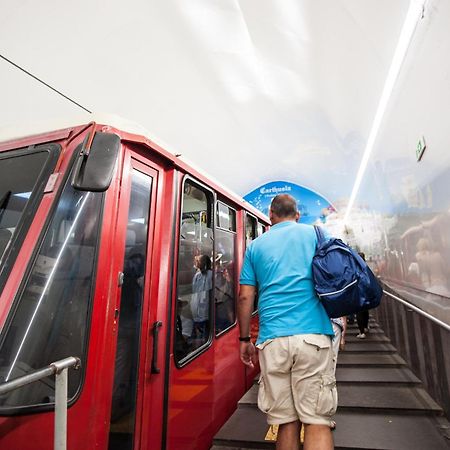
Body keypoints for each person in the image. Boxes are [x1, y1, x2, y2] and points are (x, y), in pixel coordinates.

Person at [238, 194, 336, 450]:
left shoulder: (255, 246)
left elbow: (245, 295)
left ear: (270, 216)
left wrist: (244, 339)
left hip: (272, 340)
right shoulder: (316, 234)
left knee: (286, 421)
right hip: (313, 336)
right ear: (297, 215)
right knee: (316, 420)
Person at [356, 252, 369, 339]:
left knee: (359, 312)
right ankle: (365, 326)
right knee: (365, 310)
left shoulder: (355, 267)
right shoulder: (366, 267)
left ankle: (362, 332)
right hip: (366, 291)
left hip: (358, 292)